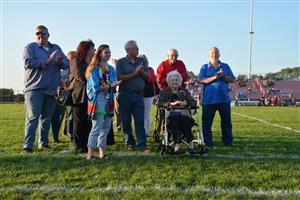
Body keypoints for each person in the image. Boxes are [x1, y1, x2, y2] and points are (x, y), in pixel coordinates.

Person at [23, 25, 69, 153]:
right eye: (37, 33)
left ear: (49, 35)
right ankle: (27, 146)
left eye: (43, 33)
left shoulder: (56, 48)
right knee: (32, 118)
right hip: (35, 89)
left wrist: (60, 62)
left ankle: (43, 144)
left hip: (51, 89)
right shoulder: (30, 48)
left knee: (46, 118)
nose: (40, 35)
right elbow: (28, 63)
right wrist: (48, 60)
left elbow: (66, 64)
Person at [85, 44, 121, 160]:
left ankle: (102, 153)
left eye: (109, 52)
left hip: (109, 99)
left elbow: (113, 83)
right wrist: (111, 85)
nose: (108, 54)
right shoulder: (94, 68)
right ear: (100, 54)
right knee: (97, 126)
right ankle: (90, 154)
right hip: (98, 100)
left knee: (106, 127)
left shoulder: (111, 69)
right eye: (106, 52)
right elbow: (96, 87)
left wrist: (112, 85)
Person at [116, 40, 150, 153]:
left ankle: (142, 144)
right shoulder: (121, 62)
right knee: (126, 121)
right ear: (128, 50)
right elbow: (120, 78)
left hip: (139, 95)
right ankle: (130, 142)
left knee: (139, 121)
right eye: (135, 48)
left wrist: (140, 72)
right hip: (125, 94)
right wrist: (135, 73)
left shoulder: (142, 61)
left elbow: (148, 77)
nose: (137, 49)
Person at [198, 47, 235, 147]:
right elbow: (201, 80)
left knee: (226, 122)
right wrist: (215, 77)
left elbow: (232, 79)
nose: (214, 54)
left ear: (219, 54)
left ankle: (227, 141)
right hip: (209, 100)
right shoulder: (204, 67)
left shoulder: (225, 66)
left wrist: (223, 76)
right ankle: (207, 142)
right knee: (207, 123)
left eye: (216, 52)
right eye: (212, 53)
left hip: (224, 99)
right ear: (209, 55)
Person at [158, 71, 197, 154]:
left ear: (179, 82)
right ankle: (177, 146)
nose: (174, 82)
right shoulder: (164, 92)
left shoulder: (184, 92)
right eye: (172, 80)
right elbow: (160, 103)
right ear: (169, 82)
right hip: (170, 114)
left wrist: (186, 102)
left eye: (176, 80)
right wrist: (172, 103)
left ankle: (191, 145)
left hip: (184, 114)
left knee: (184, 117)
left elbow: (193, 102)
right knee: (175, 117)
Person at [70, 40, 95, 153]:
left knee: (88, 122)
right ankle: (79, 146)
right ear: (86, 49)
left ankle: (87, 145)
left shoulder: (93, 62)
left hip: (91, 96)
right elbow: (80, 76)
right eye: (92, 49)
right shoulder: (76, 61)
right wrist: (91, 69)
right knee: (79, 122)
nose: (94, 51)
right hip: (80, 96)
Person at [139, 54, 159, 137]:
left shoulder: (150, 69)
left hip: (148, 95)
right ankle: (140, 130)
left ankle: (146, 131)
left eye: (143, 61)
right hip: (138, 94)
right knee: (139, 114)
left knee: (146, 114)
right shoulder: (135, 70)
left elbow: (152, 79)